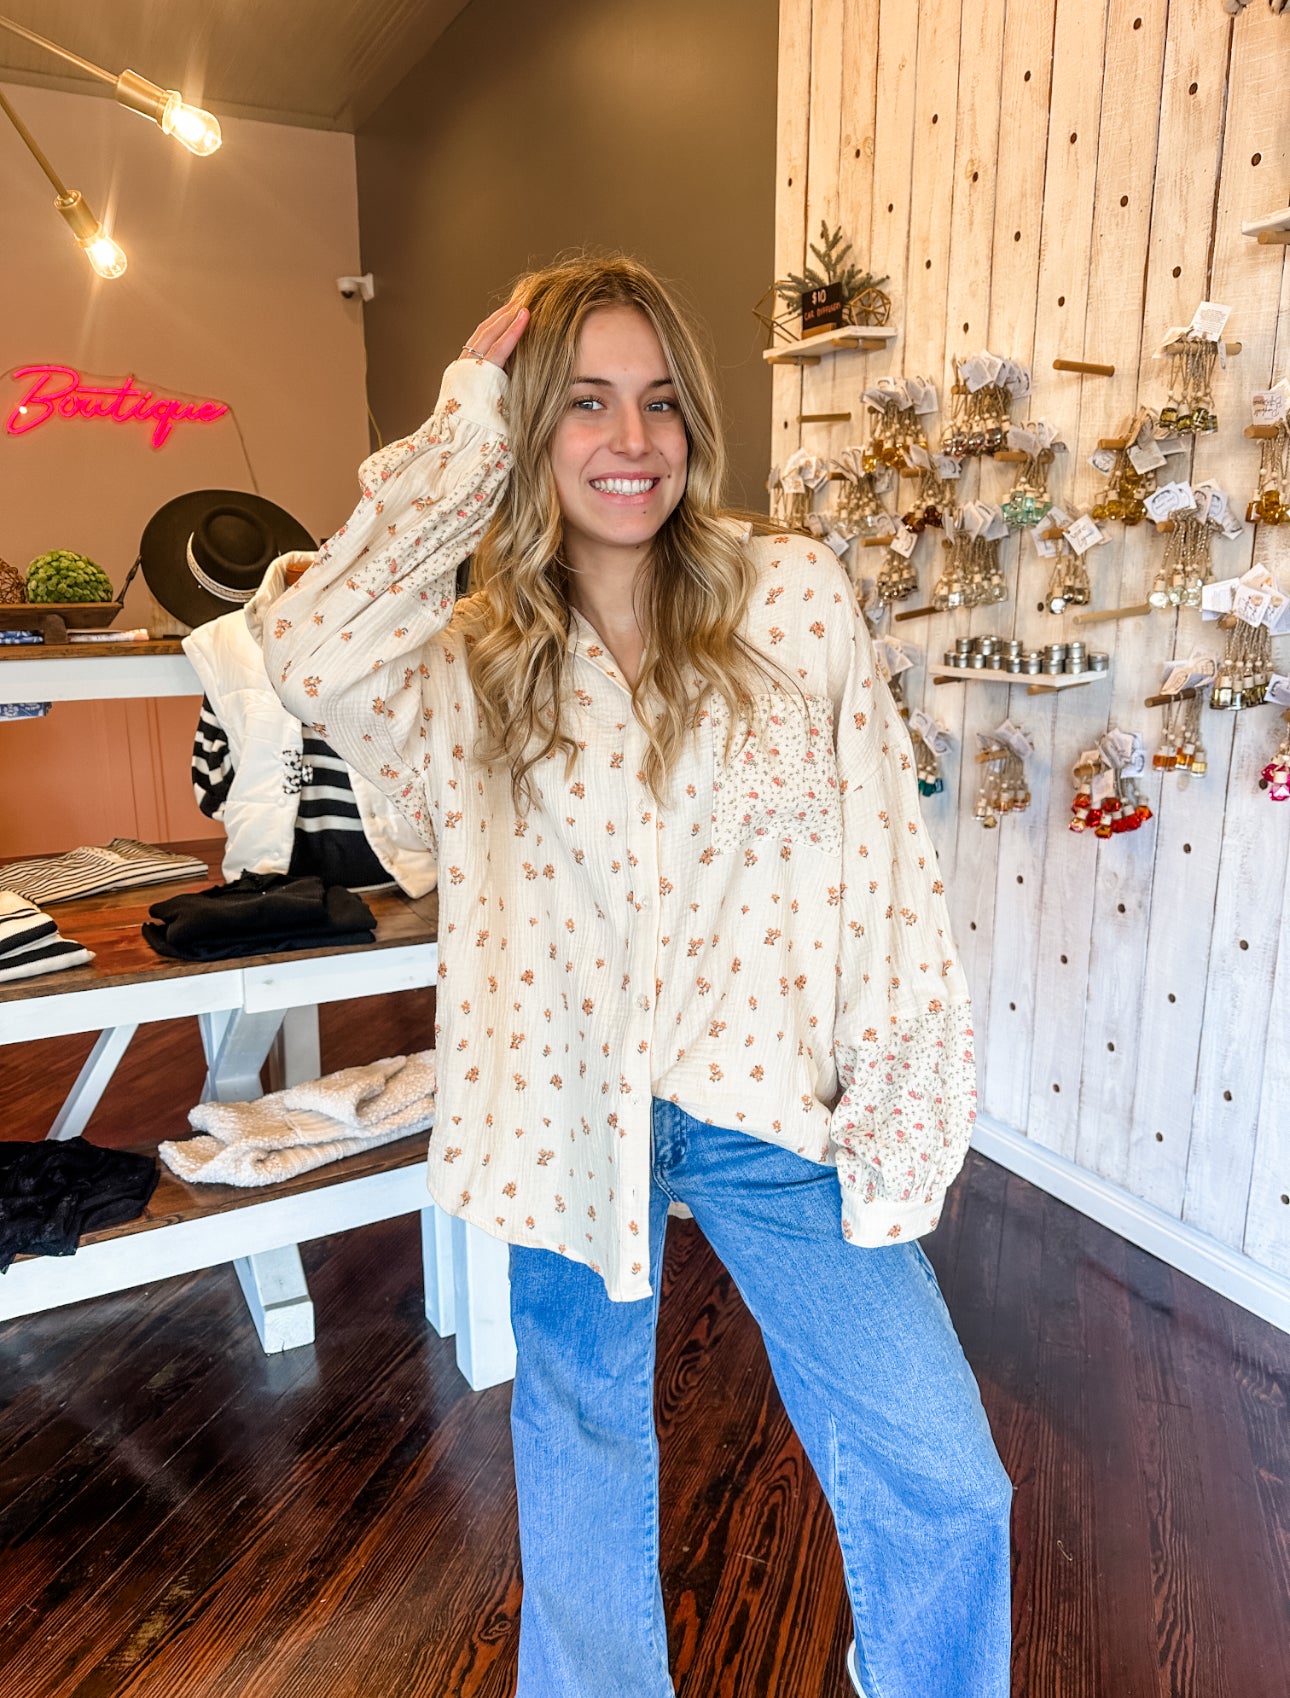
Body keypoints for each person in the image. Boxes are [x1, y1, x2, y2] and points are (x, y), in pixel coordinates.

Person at [259, 255, 1012, 1698]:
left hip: (768, 1094)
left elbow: (883, 863)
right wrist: (464, 425)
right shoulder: (467, 664)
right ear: (529, 427)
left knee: (943, 1470)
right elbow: (305, 646)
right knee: (581, 1450)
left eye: (660, 402)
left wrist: (901, 1102)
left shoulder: (790, 597)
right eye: (585, 402)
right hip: (559, 1113)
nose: (632, 440)